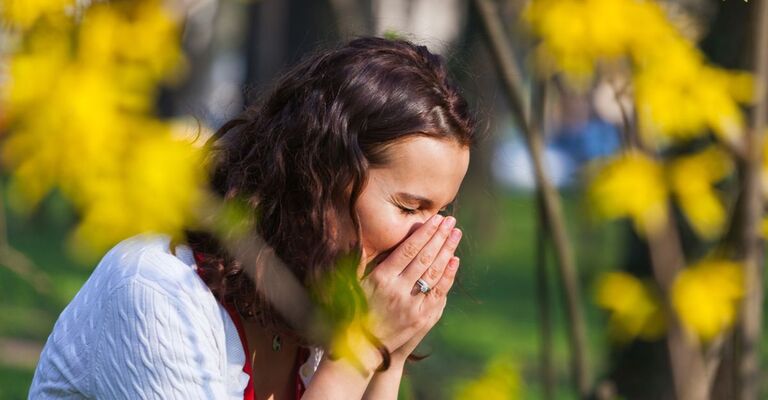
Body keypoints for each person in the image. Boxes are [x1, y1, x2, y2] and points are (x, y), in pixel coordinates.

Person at [29, 36, 475, 399]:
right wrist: (358, 351)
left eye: (441, 211)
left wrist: (388, 358)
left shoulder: (320, 301)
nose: (431, 237)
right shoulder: (157, 290)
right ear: (317, 180)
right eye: (410, 207)